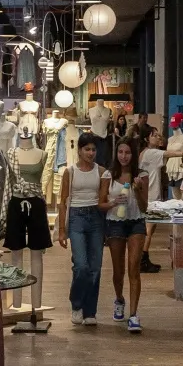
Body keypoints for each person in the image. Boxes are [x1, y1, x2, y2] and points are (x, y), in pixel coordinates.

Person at [56, 136, 107, 326]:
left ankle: (90, 311)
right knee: (81, 265)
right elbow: (62, 202)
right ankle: (76, 304)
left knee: (95, 267)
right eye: (87, 149)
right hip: (76, 217)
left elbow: (103, 199)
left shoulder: (101, 171)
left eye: (93, 149)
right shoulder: (70, 172)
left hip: (95, 218)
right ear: (79, 150)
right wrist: (62, 230)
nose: (91, 153)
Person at [102, 138, 150, 332]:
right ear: (116, 153)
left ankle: (134, 314)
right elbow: (100, 203)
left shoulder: (142, 174)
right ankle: (119, 299)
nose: (124, 156)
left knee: (134, 268)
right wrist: (113, 202)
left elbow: (145, 207)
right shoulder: (108, 175)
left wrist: (138, 190)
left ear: (134, 154)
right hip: (114, 223)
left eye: (127, 153)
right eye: (120, 152)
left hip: (136, 222)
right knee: (118, 269)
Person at [138, 129, 168, 272]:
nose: (158, 137)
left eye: (158, 135)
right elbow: (170, 153)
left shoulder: (145, 152)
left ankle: (144, 258)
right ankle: (142, 260)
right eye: (154, 135)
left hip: (148, 194)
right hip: (152, 196)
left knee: (150, 228)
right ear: (147, 138)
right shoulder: (152, 153)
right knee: (148, 229)